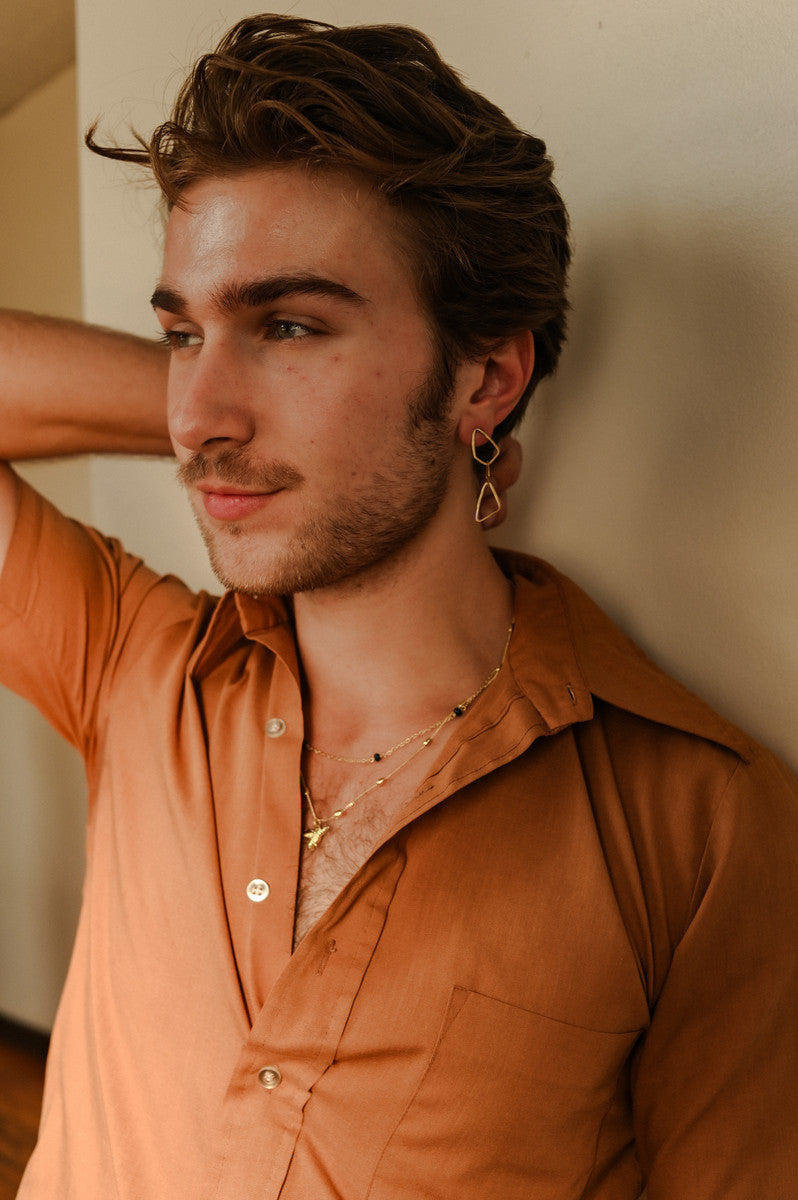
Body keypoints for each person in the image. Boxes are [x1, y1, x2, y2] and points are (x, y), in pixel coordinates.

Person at [0, 14, 796, 1200]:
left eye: (289, 325)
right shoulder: (137, 662)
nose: (196, 412)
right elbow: (199, 417)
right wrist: (235, 424)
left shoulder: (699, 824)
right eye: (182, 333)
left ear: (486, 376)